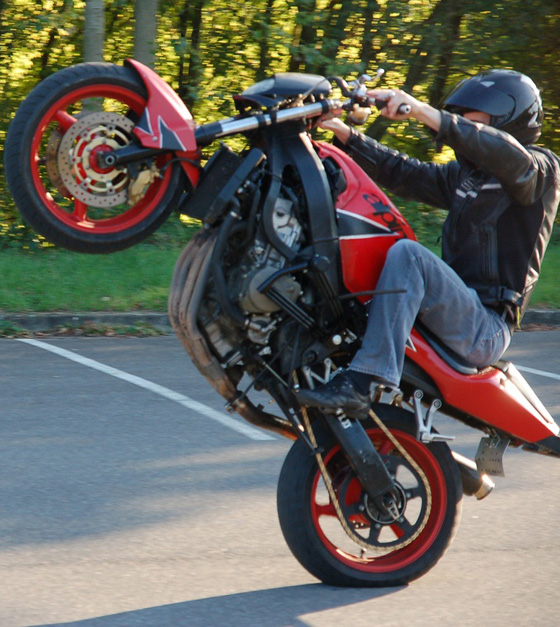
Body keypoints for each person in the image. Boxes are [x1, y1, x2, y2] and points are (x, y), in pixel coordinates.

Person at [298, 69, 560, 419]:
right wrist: (344, 133)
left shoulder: (540, 170)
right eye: (459, 118)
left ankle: (365, 382)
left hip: (483, 328)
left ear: (505, 119)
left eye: (471, 119)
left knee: (409, 255)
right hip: (454, 311)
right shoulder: (467, 177)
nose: (460, 125)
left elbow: (506, 155)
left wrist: (421, 110)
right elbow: (404, 172)